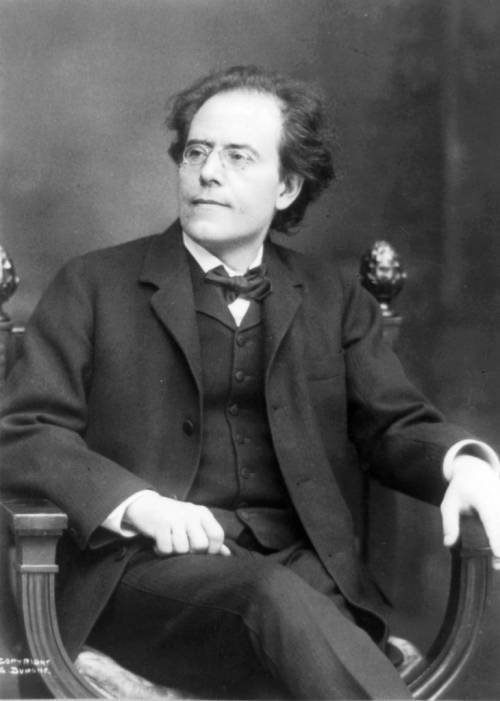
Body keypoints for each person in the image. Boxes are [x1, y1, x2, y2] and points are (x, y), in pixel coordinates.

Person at [1, 65, 500, 700]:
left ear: (287, 186)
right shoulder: (93, 285)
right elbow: (23, 430)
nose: (208, 172)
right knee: (270, 597)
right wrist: (138, 504)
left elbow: (394, 425)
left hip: (305, 578)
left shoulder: (331, 296)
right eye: (197, 152)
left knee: (295, 609)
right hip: (144, 578)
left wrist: (466, 465)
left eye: (238, 156)